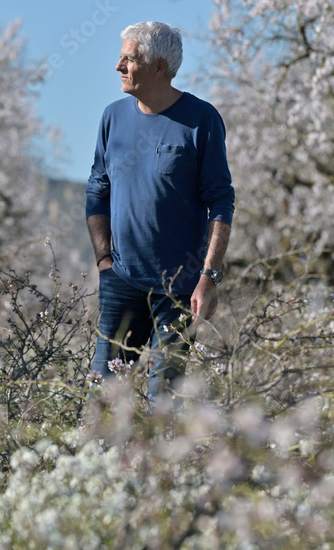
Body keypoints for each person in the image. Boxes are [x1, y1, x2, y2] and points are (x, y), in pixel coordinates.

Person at [86, 21, 235, 400]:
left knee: (163, 405)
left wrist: (209, 277)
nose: (119, 66)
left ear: (159, 67)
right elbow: (97, 188)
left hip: (179, 290)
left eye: (129, 59)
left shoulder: (201, 120)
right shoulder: (112, 117)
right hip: (121, 281)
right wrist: (104, 258)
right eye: (121, 57)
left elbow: (221, 201)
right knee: (102, 401)